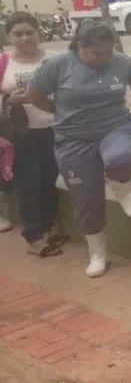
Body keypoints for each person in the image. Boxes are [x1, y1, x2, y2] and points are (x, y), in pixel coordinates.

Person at [27, 22, 131, 278]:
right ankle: (97, 251)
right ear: (81, 47)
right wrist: (60, 111)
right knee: (86, 198)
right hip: (73, 137)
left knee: (121, 158)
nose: (105, 58)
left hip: (114, 126)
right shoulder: (57, 65)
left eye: (108, 51)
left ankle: (122, 189)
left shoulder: (121, 62)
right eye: (98, 53)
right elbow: (34, 95)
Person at [0, 13, 61, 256]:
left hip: (53, 129)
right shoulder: (3, 62)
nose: (24, 38)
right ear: (9, 36)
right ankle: (33, 236)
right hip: (20, 135)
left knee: (49, 181)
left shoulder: (55, 59)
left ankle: (47, 230)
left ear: (39, 33)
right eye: (18, 34)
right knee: (27, 185)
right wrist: (8, 100)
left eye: (29, 32)